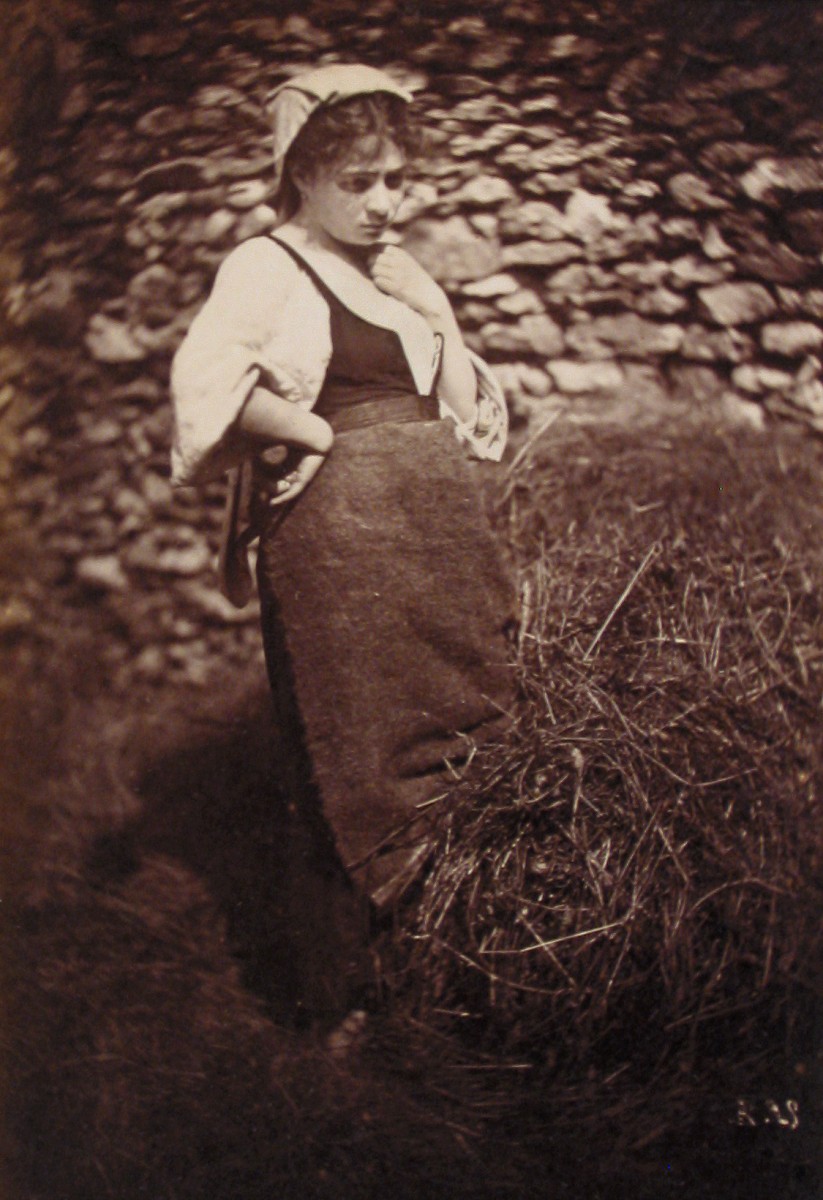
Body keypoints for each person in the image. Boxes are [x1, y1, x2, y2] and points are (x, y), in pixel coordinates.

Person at [170, 63, 517, 1023]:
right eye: (358, 181)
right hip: (341, 555)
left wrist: (436, 308)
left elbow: (467, 419)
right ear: (301, 175)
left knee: (460, 742)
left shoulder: (389, 276)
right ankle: (338, 1007)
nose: (382, 203)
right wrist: (312, 429)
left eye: (397, 179)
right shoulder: (263, 265)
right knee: (348, 761)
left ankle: (452, 981)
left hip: (436, 545)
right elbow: (203, 389)